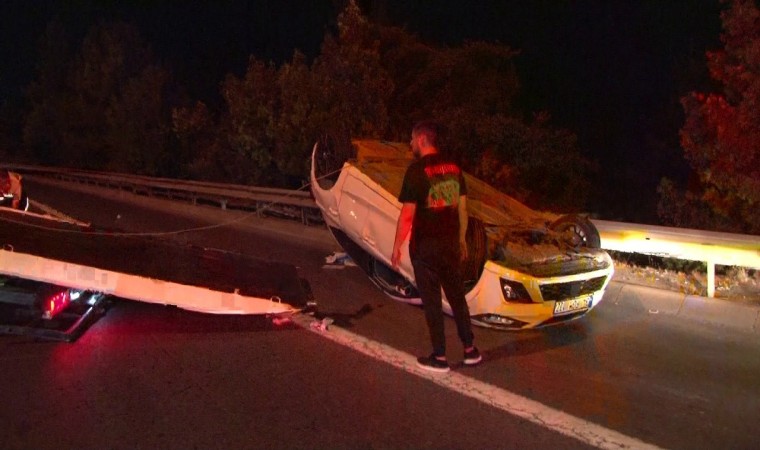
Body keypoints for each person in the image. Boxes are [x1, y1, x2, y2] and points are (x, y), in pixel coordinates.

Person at [391, 120, 481, 373]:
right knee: (457, 299)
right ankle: (470, 350)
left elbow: (407, 215)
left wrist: (397, 246)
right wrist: (462, 239)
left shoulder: (416, 170)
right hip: (450, 246)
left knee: (431, 302)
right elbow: (463, 208)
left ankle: (439, 357)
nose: (409, 144)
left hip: (425, 249)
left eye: (411, 139)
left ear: (421, 140)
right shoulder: (454, 167)